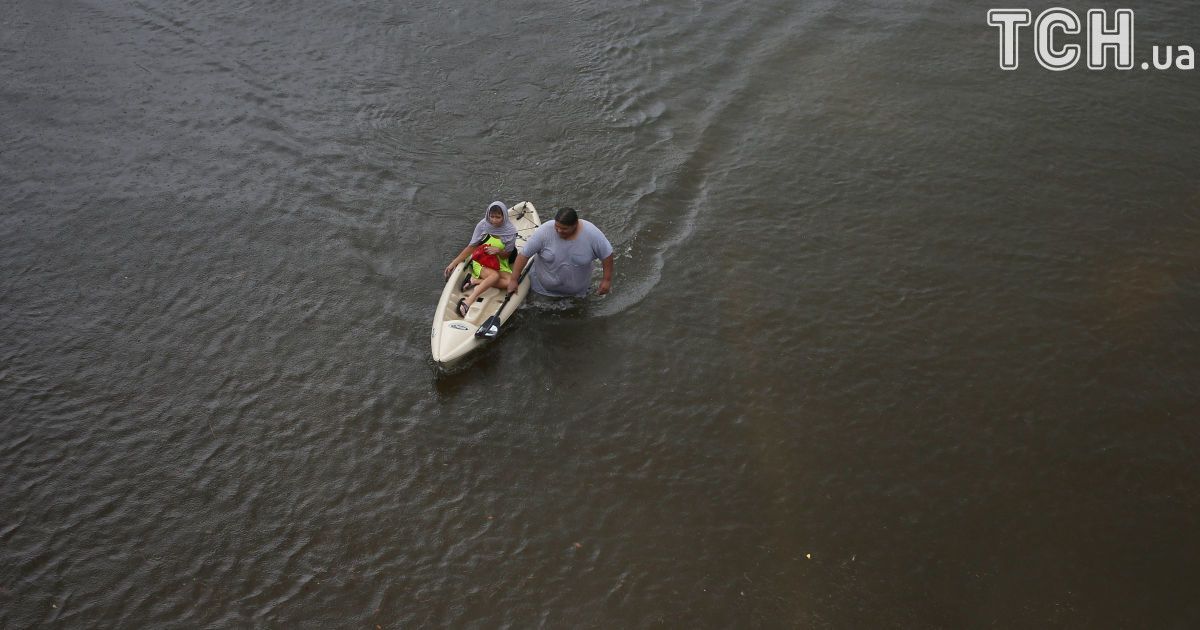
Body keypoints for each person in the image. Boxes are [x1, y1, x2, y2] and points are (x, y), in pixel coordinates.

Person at [508, 207, 613, 298]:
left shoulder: (592, 234)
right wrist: (513, 280)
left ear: (575, 224)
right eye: (556, 226)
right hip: (541, 290)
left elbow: (607, 255)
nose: (559, 231)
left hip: (578, 294)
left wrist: (606, 280)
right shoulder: (544, 231)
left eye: (564, 229)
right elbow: (523, 256)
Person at [443, 201, 518, 318]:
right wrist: (453, 263)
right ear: (488, 215)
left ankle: (474, 281)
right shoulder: (483, 225)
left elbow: (507, 255)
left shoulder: (511, 232)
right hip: (481, 260)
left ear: (504, 216)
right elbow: (471, 247)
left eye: (498, 217)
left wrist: (498, 251)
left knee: (511, 282)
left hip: (499, 261)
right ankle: (468, 301)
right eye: (492, 216)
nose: (494, 220)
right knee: (494, 276)